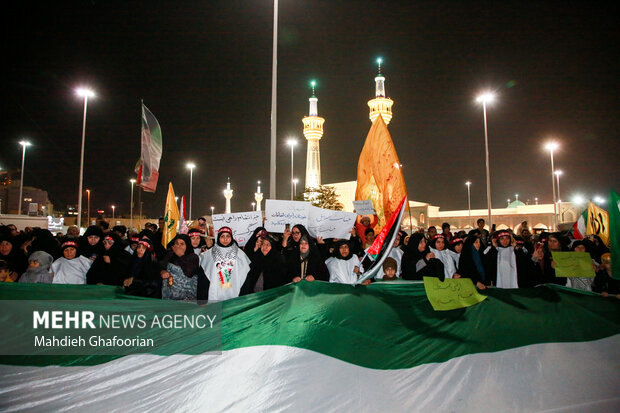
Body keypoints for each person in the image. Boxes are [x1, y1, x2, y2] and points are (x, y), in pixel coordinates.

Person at [199, 227, 251, 301]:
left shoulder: (240, 254)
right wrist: (202, 299)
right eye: (222, 236)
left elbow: (245, 275)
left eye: (228, 236)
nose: (225, 239)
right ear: (218, 238)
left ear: (232, 237)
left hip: (235, 293)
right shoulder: (209, 254)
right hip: (215, 293)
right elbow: (204, 278)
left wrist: (243, 296)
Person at [160, 234, 205, 301]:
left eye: (182, 244)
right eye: (177, 243)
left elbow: (189, 273)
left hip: (187, 299)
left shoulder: (193, 257)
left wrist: (181, 255)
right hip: (169, 296)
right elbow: (161, 266)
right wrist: (162, 271)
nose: (179, 246)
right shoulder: (170, 255)